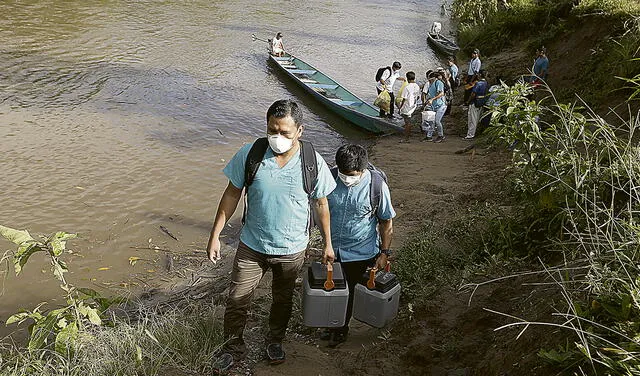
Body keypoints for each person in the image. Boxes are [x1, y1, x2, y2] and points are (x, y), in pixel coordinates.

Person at [207, 99, 336, 373]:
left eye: (285, 132)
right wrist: (215, 234)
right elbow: (232, 194)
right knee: (237, 299)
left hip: (291, 250)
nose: (277, 137)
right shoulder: (251, 154)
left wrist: (328, 243)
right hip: (251, 246)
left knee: (282, 298)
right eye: (272, 130)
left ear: (299, 130)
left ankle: (274, 340)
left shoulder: (312, 162)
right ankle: (232, 347)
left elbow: (321, 204)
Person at [325, 144, 395, 347]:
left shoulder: (376, 185)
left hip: (361, 251)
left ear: (363, 170)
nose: (347, 178)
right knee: (333, 290)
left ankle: (340, 329)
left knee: (351, 292)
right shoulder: (329, 179)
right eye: (344, 174)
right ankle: (332, 324)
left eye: (353, 175)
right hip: (332, 249)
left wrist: (384, 253)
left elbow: (386, 221)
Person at [422, 71, 447, 143]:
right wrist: (427, 101)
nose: (429, 80)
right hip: (433, 106)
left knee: (437, 121)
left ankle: (441, 135)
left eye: (430, 79)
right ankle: (429, 136)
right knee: (431, 120)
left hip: (441, 105)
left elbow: (441, 93)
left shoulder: (438, 83)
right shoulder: (430, 84)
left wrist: (432, 99)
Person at [463, 69, 489, 140]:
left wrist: (468, 101)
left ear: (480, 75)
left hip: (475, 102)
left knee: (472, 119)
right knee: (476, 118)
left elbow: (473, 94)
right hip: (482, 102)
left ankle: (470, 135)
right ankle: (472, 133)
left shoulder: (478, 83)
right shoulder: (486, 83)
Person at [398, 71, 421, 139]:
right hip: (413, 106)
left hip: (407, 107)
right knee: (409, 121)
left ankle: (406, 137)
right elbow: (418, 97)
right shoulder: (417, 86)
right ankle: (409, 134)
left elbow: (404, 99)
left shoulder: (407, 87)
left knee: (407, 123)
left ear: (407, 78)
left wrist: (400, 108)